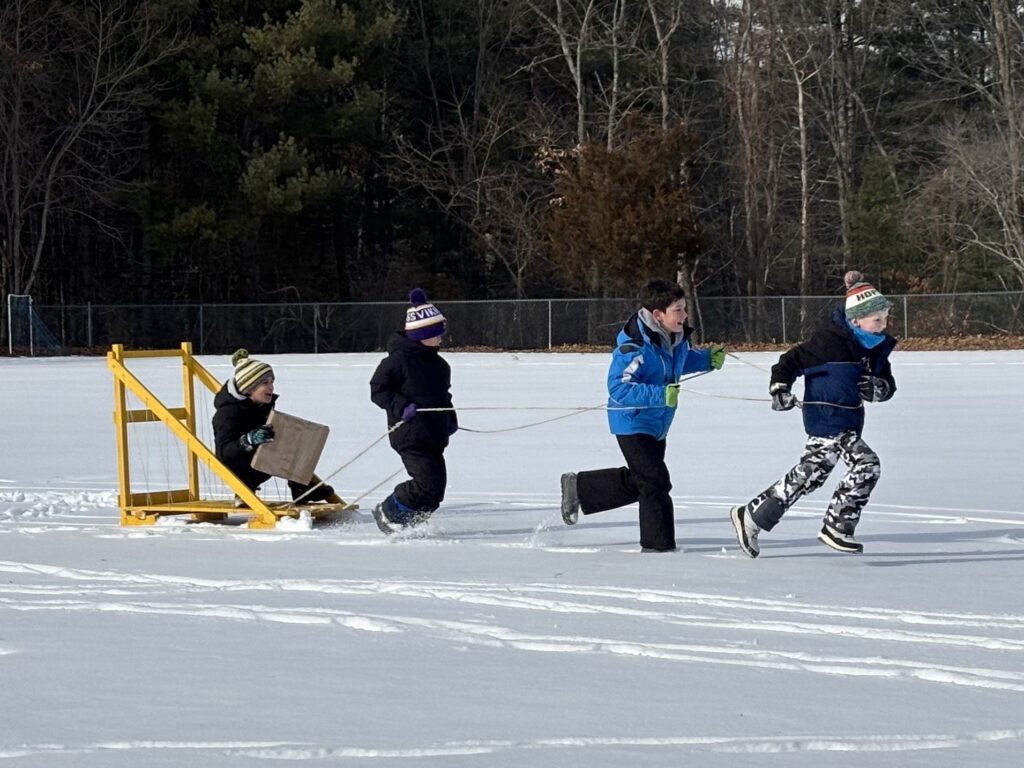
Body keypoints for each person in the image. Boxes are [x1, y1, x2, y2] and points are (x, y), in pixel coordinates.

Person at [730, 271, 897, 557]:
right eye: (876, 320)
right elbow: (790, 361)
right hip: (826, 420)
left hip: (849, 421)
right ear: (856, 319)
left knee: (810, 475)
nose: (883, 325)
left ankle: (752, 516)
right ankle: (837, 526)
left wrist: (878, 389)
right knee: (868, 465)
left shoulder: (875, 349)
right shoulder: (828, 341)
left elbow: (888, 385)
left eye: (884, 319)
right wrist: (780, 389)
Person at [559, 278, 726, 552]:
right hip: (632, 421)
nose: (684, 316)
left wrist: (706, 359)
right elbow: (618, 389)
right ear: (658, 314)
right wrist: (660, 395)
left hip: (657, 423)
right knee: (655, 482)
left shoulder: (676, 337)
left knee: (645, 478)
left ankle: (580, 487)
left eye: (684, 309)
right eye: (678, 310)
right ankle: (657, 548)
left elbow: (676, 363)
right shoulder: (635, 345)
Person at [370, 288, 458, 533]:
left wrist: (450, 418)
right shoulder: (398, 361)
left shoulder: (440, 366)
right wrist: (402, 407)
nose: (442, 337)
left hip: (433, 435)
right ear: (422, 334)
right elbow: (378, 390)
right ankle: (388, 513)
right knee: (425, 483)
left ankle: (409, 522)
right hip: (410, 435)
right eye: (437, 333)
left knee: (436, 489)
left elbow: (444, 396)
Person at [212, 349, 335, 506]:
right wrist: (248, 440)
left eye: (272, 382)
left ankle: (301, 488)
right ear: (249, 388)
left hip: (262, 462)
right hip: (239, 468)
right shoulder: (226, 414)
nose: (271, 387)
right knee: (281, 444)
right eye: (265, 383)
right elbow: (224, 454)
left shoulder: (262, 405)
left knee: (297, 438)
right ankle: (244, 489)